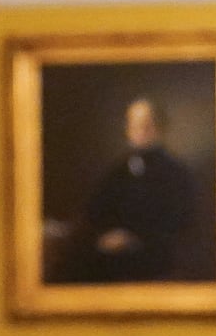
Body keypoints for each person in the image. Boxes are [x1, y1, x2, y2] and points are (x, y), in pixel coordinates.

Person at [79, 97, 204, 282]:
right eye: (134, 125)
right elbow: (95, 212)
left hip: (157, 262)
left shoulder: (176, 173)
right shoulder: (117, 171)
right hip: (113, 262)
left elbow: (182, 224)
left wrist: (133, 239)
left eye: (147, 124)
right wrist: (104, 237)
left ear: (160, 128)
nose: (140, 131)